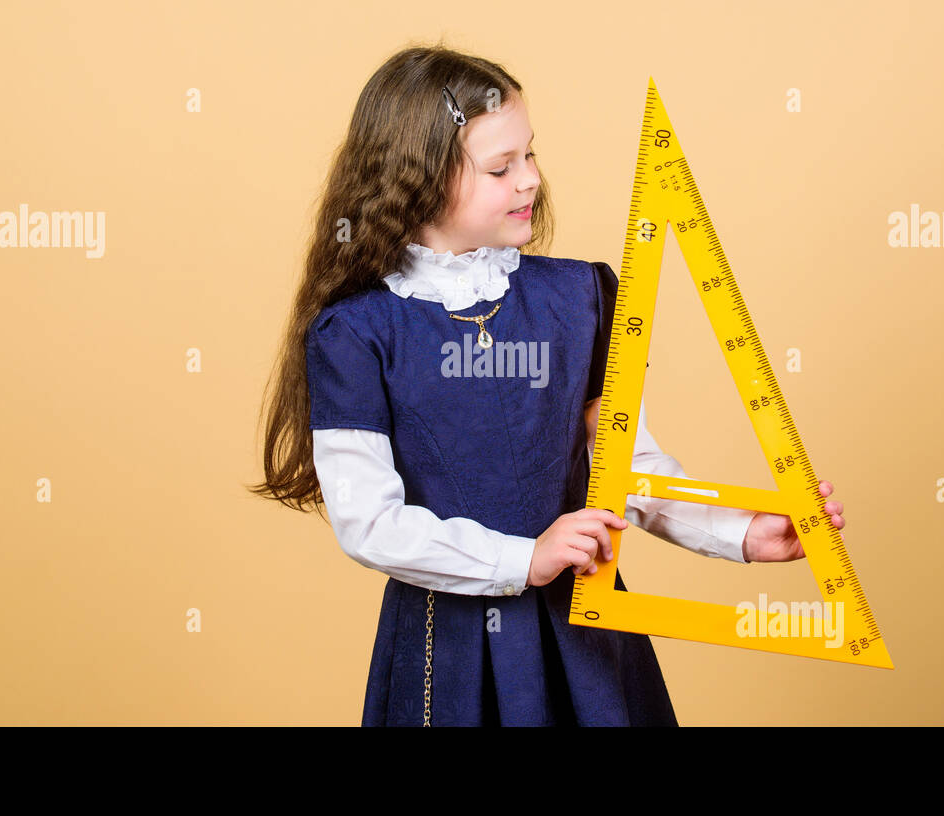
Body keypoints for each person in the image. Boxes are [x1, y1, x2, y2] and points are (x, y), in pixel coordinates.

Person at [249, 43, 846, 726]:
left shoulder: (579, 298)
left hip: (586, 634)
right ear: (415, 179)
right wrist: (522, 557)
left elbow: (628, 471)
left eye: (529, 155)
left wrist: (739, 532)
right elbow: (368, 523)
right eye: (501, 167)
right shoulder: (356, 335)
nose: (529, 179)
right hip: (450, 656)